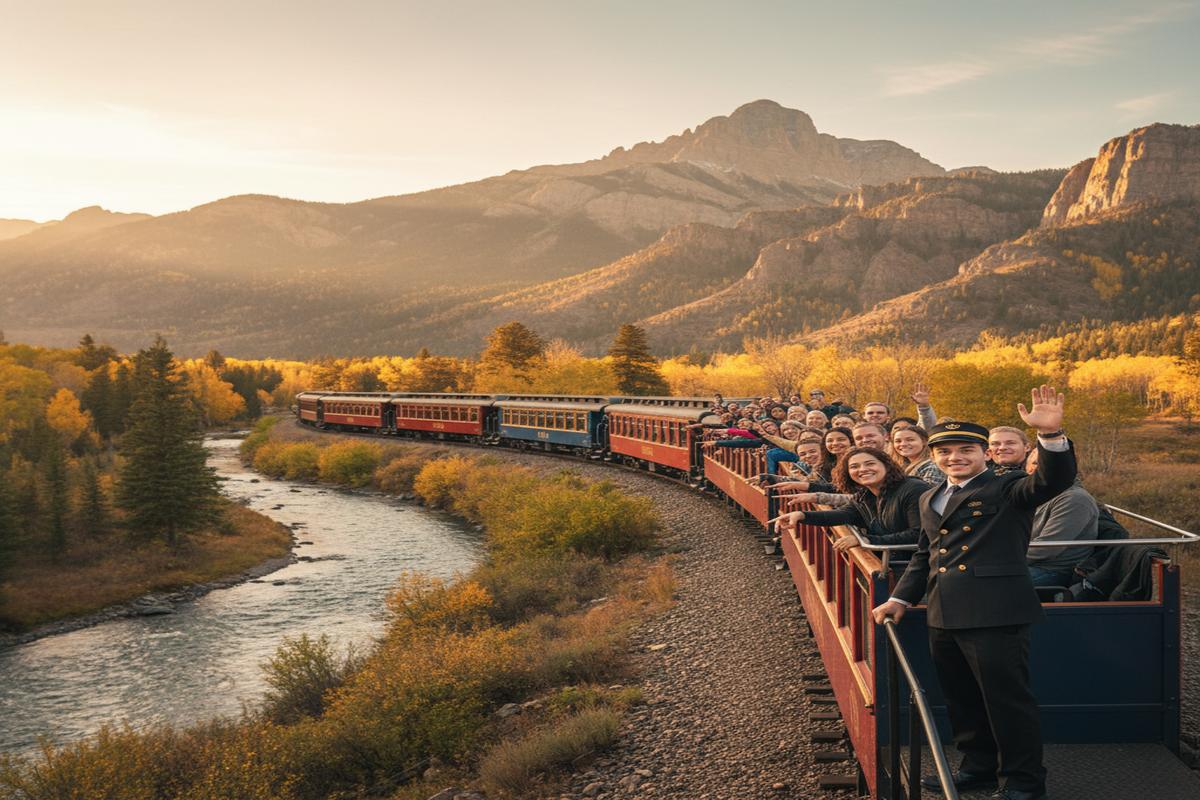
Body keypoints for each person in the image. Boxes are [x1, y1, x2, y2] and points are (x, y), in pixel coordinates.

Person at [871, 386, 1075, 800]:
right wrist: (900, 598)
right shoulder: (930, 496)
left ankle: (1024, 782)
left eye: (966, 449)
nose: (955, 457)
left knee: (1007, 703)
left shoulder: (1008, 487)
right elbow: (925, 555)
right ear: (933, 457)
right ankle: (978, 767)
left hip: (995, 613)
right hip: (943, 611)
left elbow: (1053, 480)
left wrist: (1051, 437)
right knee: (962, 699)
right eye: (945, 452)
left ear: (985, 454)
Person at [775, 447, 927, 553]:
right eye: (854, 466)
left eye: (870, 464)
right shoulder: (865, 495)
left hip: (917, 565)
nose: (862, 469)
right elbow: (842, 514)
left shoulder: (913, 489)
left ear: (886, 465)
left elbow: (918, 534)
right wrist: (801, 515)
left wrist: (865, 540)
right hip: (892, 560)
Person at [1025, 447, 1099, 588]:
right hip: (1026, 562)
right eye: (1035, 463)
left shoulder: (1075, 499)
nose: (1041, 469)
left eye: (1050, 464)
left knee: (978, 584)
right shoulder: (1034, 494)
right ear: (1027, 467)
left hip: (1053, 571)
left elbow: (1045, 549)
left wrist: (999, 559)